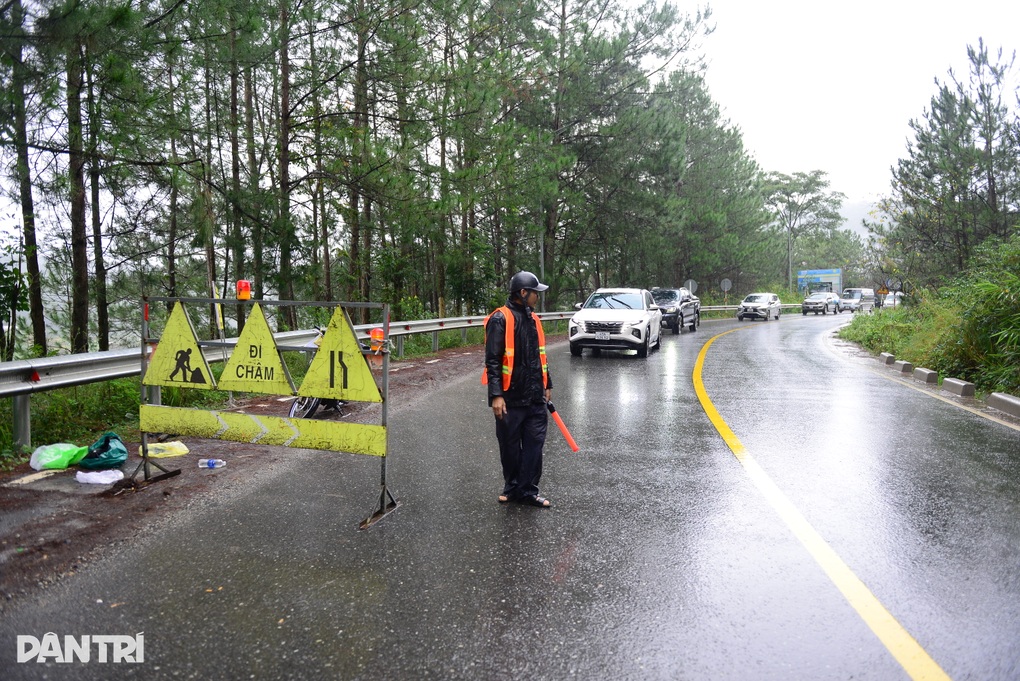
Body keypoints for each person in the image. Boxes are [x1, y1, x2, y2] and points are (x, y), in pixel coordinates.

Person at [483, 271, 553, 507]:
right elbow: (493, 361)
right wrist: (496, 395)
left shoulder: (534, 320)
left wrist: (547, 383)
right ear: (523, 293)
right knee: (510, 447)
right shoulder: (500, 319)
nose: (537, 297)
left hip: (535, 397)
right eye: (535, 293)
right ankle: (512, 488)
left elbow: (540, 356)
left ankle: (528, 491)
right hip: (510, 398)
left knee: (534, 446)